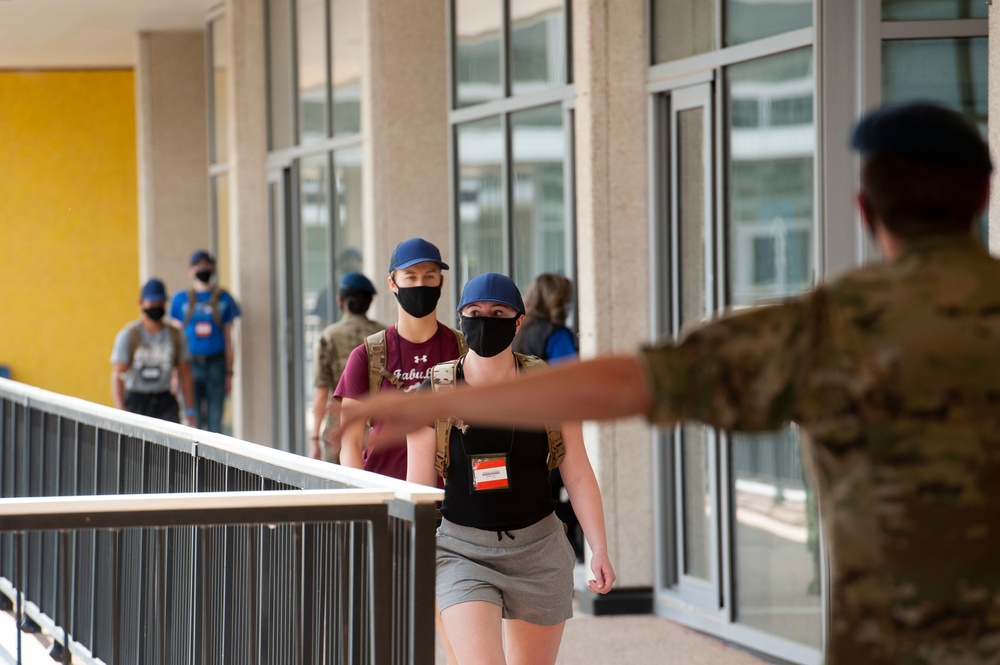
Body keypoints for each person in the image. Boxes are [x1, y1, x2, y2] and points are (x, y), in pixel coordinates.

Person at [342, 101, 1000, 665]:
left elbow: (633, 381)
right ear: (984, 198)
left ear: (864, 208)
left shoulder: (832, 327)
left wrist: (452, 397)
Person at [411, 272, 614, 665]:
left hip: (538, 552)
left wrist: (599, 549)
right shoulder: (433, 393)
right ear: (460, 318)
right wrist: (409, 558)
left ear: (518, 321)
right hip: (461, 552)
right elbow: (418, 489)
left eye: (498, 312)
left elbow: (578, 472)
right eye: (475, 312)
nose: (486, 319)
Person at [334, 238, 466, 480]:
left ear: (441, 282)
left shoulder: (463, 349)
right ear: (392, 284)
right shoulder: (366, 355)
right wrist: (366, 502)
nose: (421, 284)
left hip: (451, 505)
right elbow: (350, 442)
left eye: (429, 276)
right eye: (410, 276)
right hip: (387, 499)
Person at [512, 273, 582, 560]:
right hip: (550, 431)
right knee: (574, 487)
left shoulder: (518, 332)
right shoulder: (557, 335)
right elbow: (571, 381)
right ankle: (568, 546)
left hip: (516, 427)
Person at [310, 272, 386, 462]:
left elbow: (321, 393)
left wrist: (314, 438)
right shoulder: (385, 336)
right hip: (377, 428)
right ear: (370, 302)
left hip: (338, 429)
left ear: (339, 301)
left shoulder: (328, 338)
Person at [169, 250, 241, 433]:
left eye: (207, 265)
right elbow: (175, 339)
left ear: (214, 268)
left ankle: (213, 462)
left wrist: (229, 372)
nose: (203, 269)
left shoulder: (224, 299)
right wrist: (175, 373)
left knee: (215, 421)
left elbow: (229, 337)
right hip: (190, 365)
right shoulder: (181, 300)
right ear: (190, 271)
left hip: (217, 365)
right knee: (193, 420)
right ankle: (195, 461)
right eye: (198, 266)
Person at [111, 278, 197, 427]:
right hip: (137, 400)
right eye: (152, 303)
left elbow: (185, 373)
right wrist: (121, 411)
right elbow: (118, 375)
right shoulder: (129, 336)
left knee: (169, 448)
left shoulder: (175, 336)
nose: (157, 307)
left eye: (160, 302)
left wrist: (189, 409)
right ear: (141, 303)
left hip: (165, 401)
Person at [513, 273, 578, 363]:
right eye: (567, 299)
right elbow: (570, 373)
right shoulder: (557, 334)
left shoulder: (517, 329)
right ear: (558, 301)